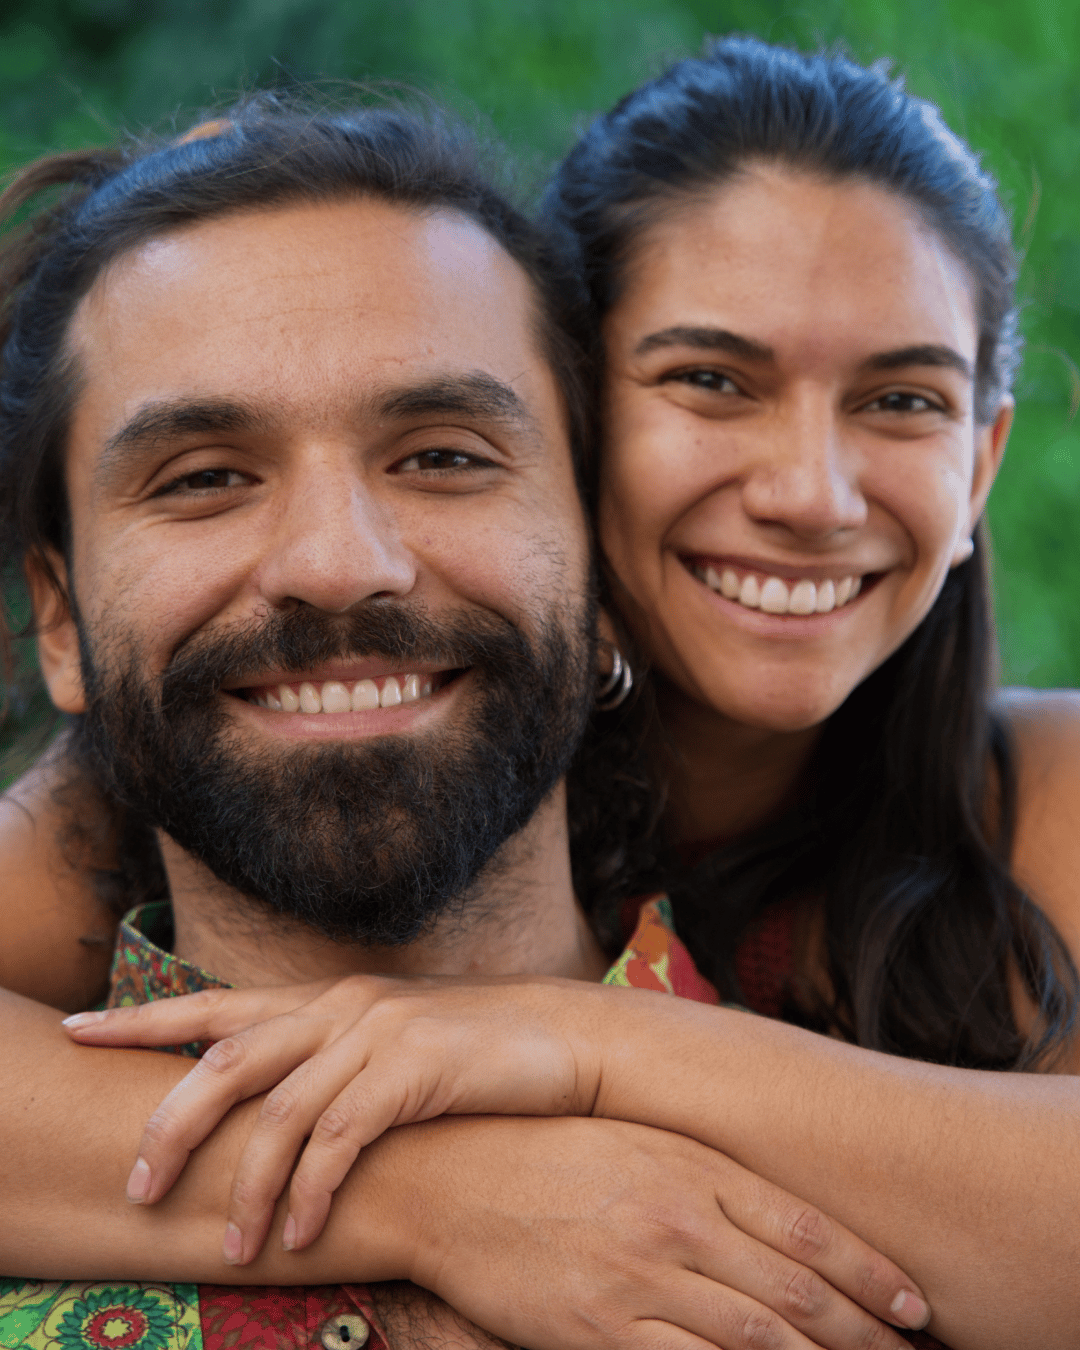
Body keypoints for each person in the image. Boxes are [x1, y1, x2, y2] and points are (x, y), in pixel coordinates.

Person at [4, 37, 1080, 1349]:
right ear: (59, 616)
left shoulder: (1014, 854)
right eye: (203, 476)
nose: (808, 492)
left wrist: (578, 1045)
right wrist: (434, 1184)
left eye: (444, 453)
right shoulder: (79, 849)